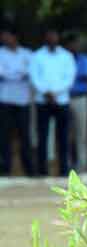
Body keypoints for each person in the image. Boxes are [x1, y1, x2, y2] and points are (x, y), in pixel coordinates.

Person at [30, 28, 76, 176]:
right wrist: (46, 92)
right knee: (42, 137)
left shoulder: (66, 56)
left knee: (63, 137)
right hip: (42, 100)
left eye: (54, 36)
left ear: (58, 38)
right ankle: (42, 171)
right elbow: (34, 77)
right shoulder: (37, 56)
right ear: (45, 38)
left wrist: (56, 93)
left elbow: (69, 78)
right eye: (49, 36)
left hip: (61, 100)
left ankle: (64, 170)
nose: (52, 39)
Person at [0, 27, 34, 175]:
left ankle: (29, 169)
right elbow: (2, 73)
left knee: (25, 136)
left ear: (15, 37)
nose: (4, 39)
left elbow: (31, 72)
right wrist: (19, 73)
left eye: (7, 36)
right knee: (4, 136)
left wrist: (12, 74)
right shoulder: (1, 53)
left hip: (23, 101)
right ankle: (5, 169)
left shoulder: (27, 54)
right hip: (5, 100)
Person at [66, 33, 87, 173]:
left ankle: (82, 166)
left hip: (81, 98)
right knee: (66, 134)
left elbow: (86, 76)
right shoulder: (63, 58)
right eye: (72, 43)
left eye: (76, 43)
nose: (74, 46)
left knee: (81, 133)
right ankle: (67, 165)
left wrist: (68, 76)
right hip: (64, 98)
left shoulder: (85, 59)